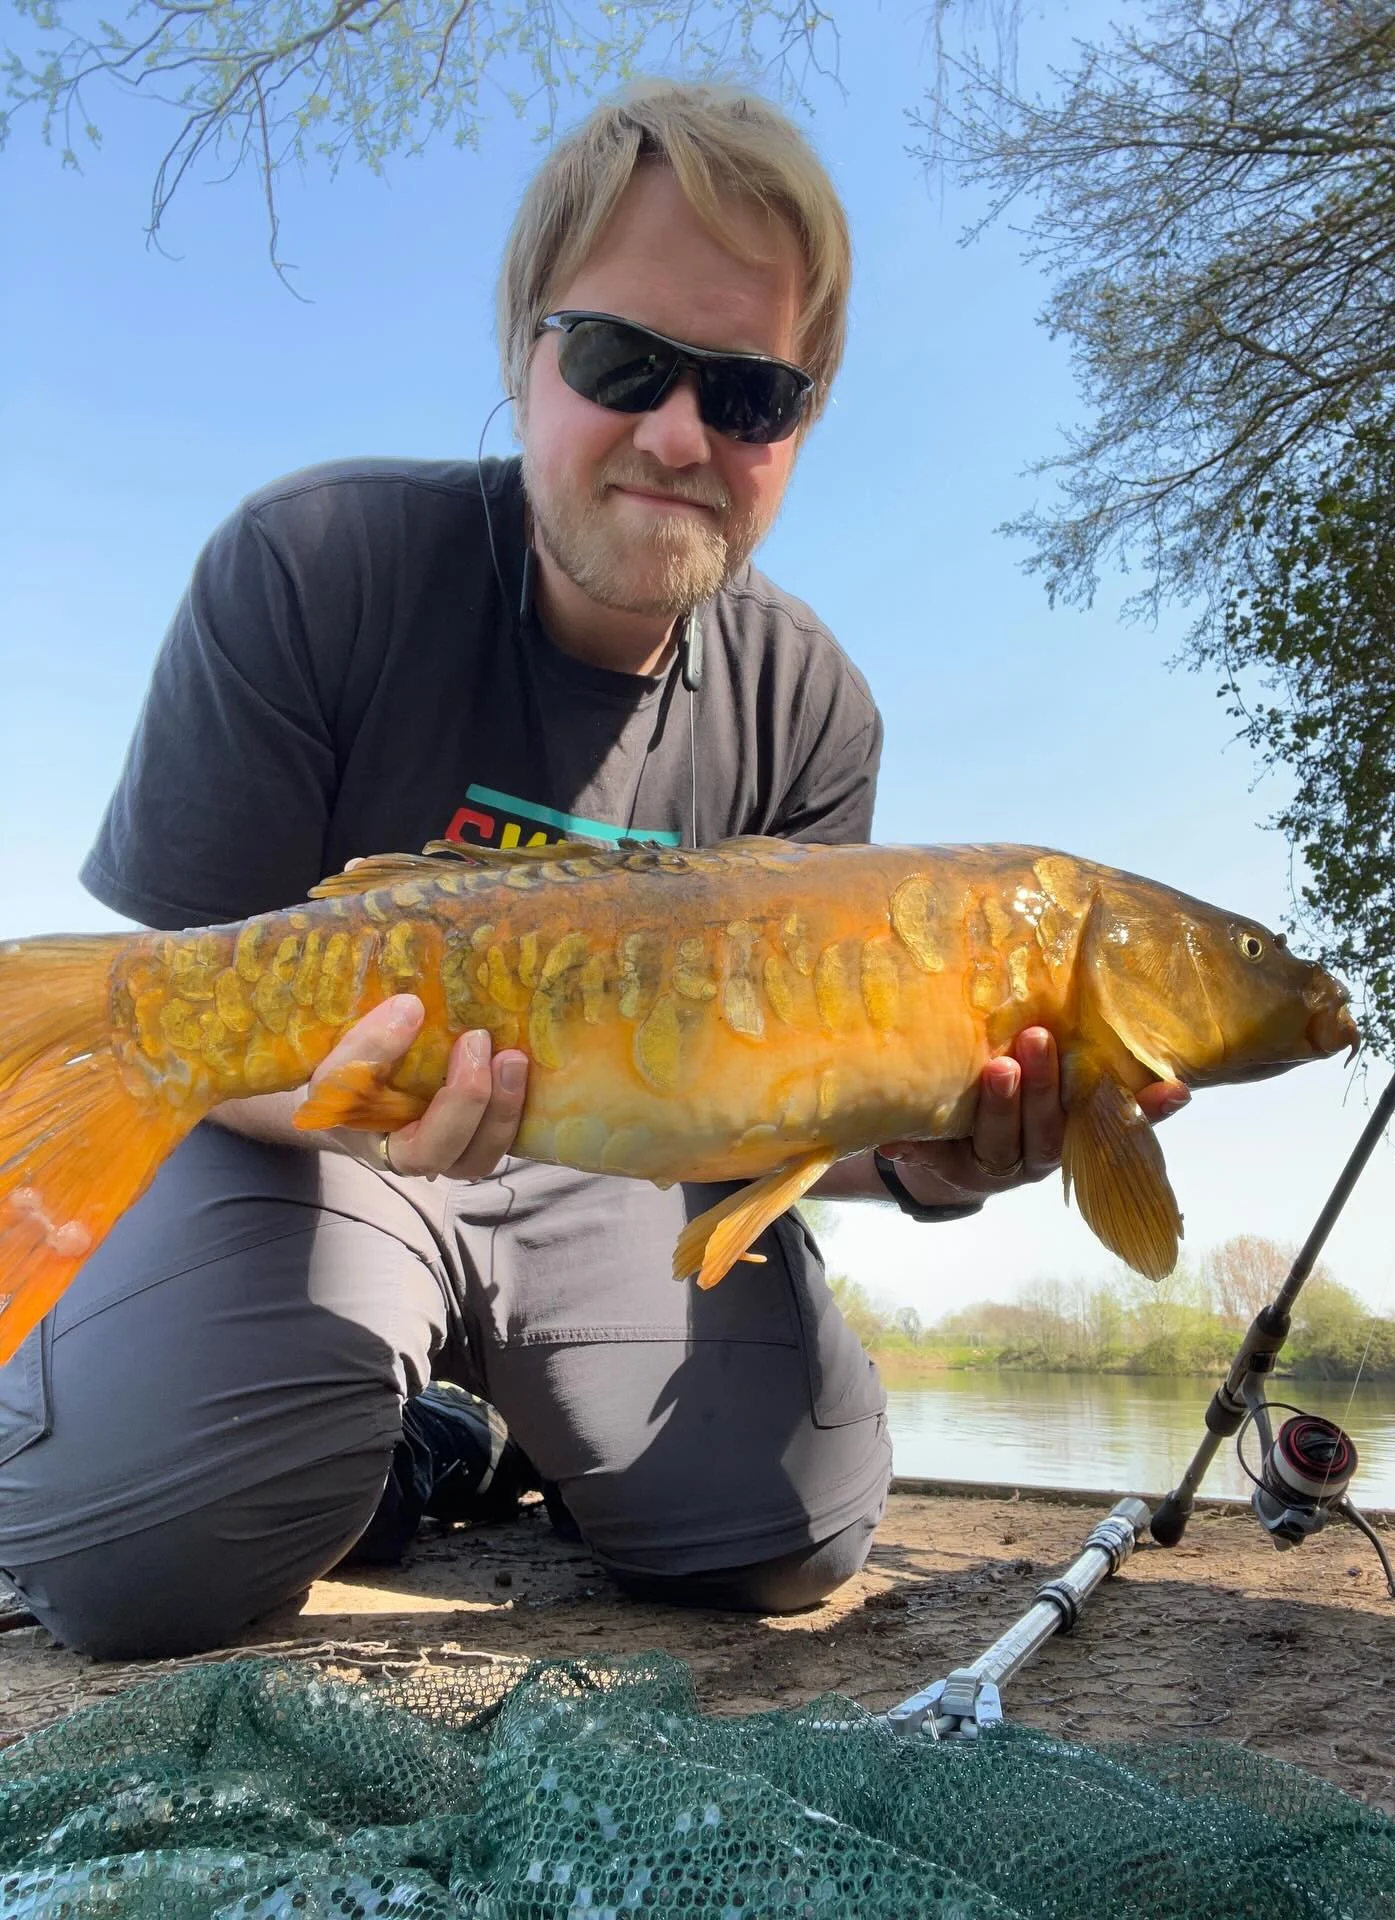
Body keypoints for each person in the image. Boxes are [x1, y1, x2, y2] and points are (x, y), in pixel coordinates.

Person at [0, 82, 1185, 1660]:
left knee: (789, 1533)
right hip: (302, 1150)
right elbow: (187, 1027)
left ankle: (487, 1439)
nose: (682, 434)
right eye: (623, 361)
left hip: (619, 1187)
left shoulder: (811, 702)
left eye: (751, 393)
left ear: (799, 428)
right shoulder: (311, 564)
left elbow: (761, 1116)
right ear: (524, 354)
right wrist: (366, 1107)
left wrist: (924, 1162)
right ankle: (335, 1424)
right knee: (140, 1565)